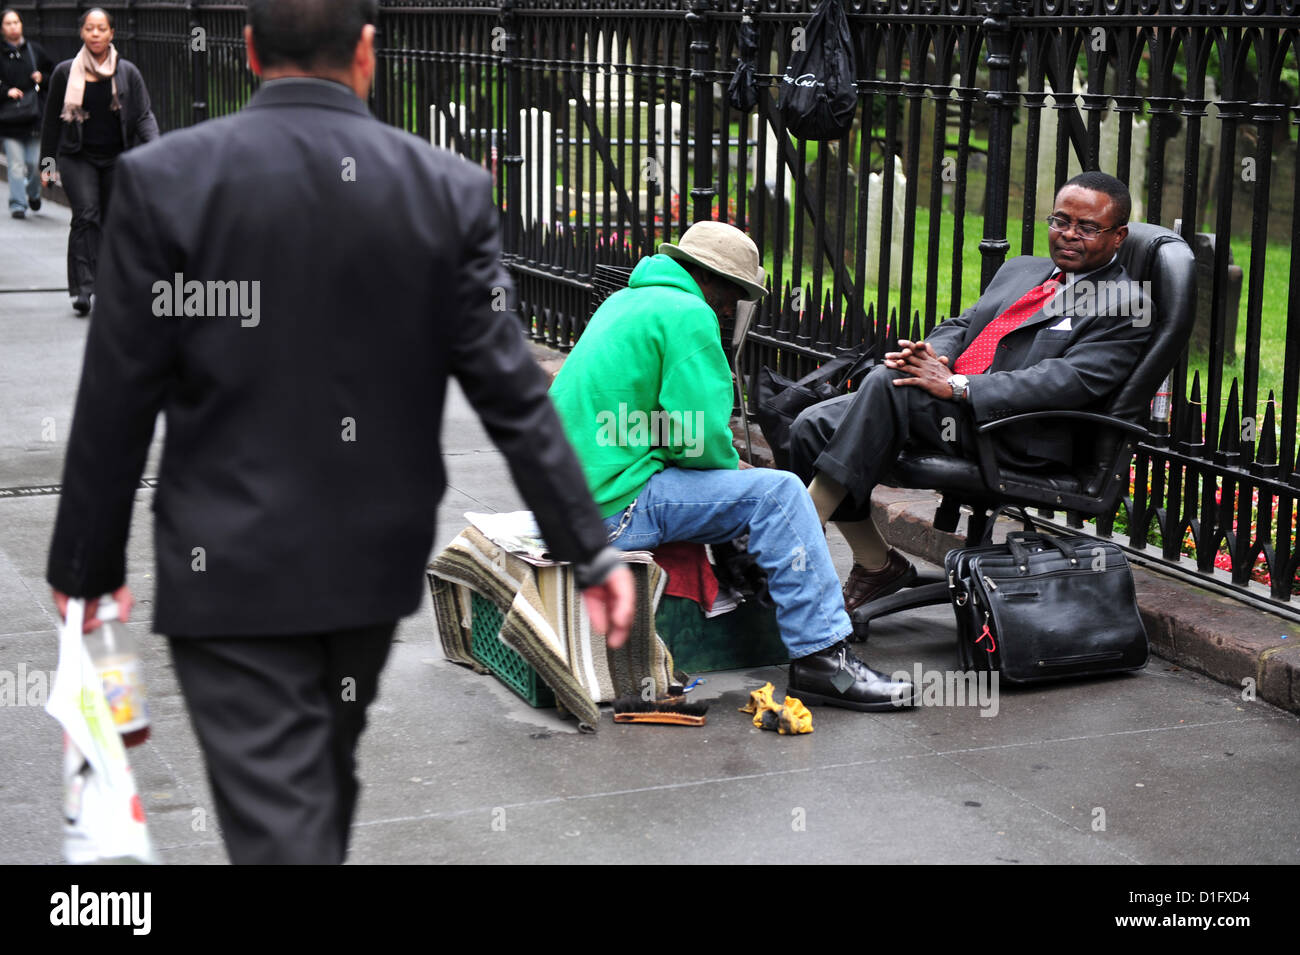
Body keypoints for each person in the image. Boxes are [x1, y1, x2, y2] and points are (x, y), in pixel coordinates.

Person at [45, 0, 635, 865]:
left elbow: (114, 400)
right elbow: (513, 395)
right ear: (366, 52)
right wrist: (591, 549)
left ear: (246, 49)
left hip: (227, 566)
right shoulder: (447, 190)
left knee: (289, 811)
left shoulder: (167, 180)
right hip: (369, 566)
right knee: (314, 789)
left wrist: (85, 573)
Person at [548, 220, 916, 713]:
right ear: (713, 281)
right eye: (735, 293)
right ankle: (824, 660)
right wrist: (733, 472)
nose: (729, 307)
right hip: (611, 508)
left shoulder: (624, 302)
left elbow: (649, 424)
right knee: (780, 493)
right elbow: (698, 436)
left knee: (749, 488)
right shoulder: (688, 314)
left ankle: (805, 635)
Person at [790, 171, 1152, 610]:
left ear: (1119, 237)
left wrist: (960, 386)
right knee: (812, 423)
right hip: (952, 411)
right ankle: (875, 563)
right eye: (1060, 221)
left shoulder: (1125, 304)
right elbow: (963, 325)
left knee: (887, 384)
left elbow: (1068, 382)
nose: (1069, 235)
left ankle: (788, 543)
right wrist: (934, 358)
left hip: (1014, 432)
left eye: (1088, 227)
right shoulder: (1024, 270)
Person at [39, 7, 158, 315]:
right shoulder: (66, 72)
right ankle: (84, 287)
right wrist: (47, 164)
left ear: (111, 34)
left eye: (101, 29)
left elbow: (143, 115)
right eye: (90, 28)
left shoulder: (127, 72)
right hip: (77, 157)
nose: (95, 34)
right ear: (82, 32)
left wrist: (156, 148)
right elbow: (52, 121)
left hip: (116, 157)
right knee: (86, 215)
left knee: (111, 220)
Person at [0, 8, 52, 218]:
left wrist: (42, 77)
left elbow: (53, 74)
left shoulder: (35, 50)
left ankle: (33, 194)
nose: (13, 27)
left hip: (33, 118)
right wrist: (6, 91)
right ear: (2, 28)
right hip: (10, 120)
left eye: (16, 22)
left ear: (22, 25)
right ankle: (18, 205)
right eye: (8, 23)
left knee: (33, 163)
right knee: (15, 165)